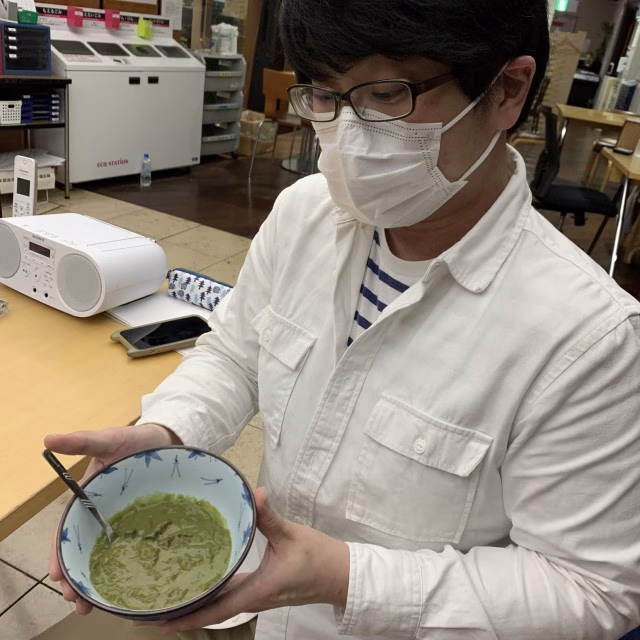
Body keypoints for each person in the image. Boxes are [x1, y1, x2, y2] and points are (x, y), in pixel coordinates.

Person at [46, 0, 640, 638]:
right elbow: (236, 355)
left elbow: (590, 590)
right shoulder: (305, 214)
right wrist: (167, 431)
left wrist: (344, 578)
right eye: (325, 96)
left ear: (506, 90)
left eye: (386, 94)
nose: (349, 136)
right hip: (259, 607)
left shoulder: (589, 339)